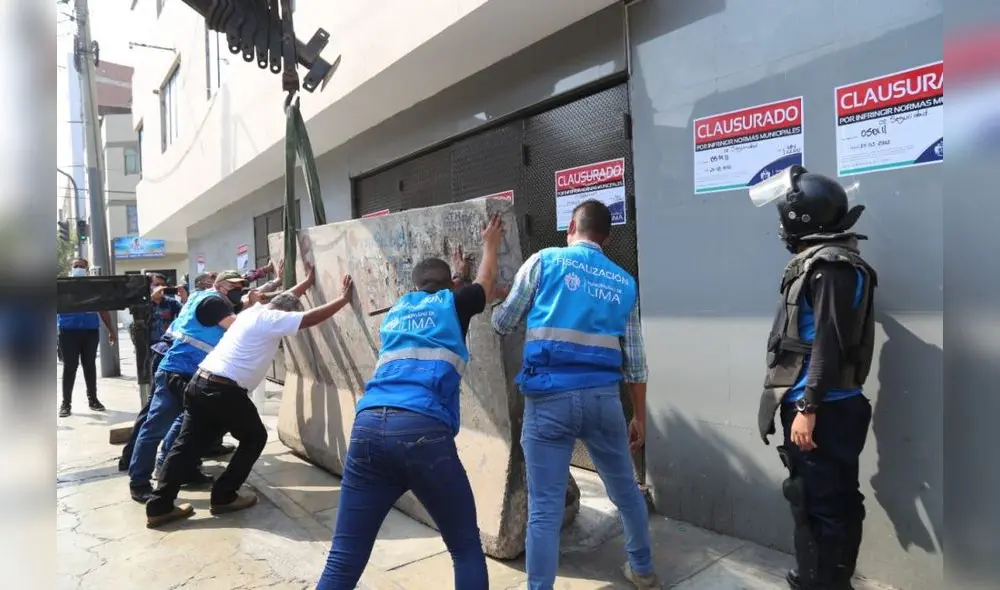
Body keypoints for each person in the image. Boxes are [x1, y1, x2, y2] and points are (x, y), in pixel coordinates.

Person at [316, 216, 505, 590]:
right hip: (422, 432)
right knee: (465, 547)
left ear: (415, 285)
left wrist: (458, 278)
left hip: (368, 428)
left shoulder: (397, 312)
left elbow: (454, 302)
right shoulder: (455, 303)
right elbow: (482, 288)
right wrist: (491, 244)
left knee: (345, 555)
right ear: (449, 285)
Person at [491, 200, 659, 589]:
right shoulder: (623, 282)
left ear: (571, 227)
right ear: (607, 236)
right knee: (626, 493)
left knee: (545, 511)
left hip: (549, 400)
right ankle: (644, 569)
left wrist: (510, 298)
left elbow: (503, 323)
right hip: (603, 402)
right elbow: (635, 362)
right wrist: (639, 417)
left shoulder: (543, 261)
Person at [145, 263, 355, 527]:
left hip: (200, 382)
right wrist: (344, 300)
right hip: (224, 390)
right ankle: (224, 496)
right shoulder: (272, 320)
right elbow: (309, 318)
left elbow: (284, 298)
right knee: (255, 438)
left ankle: (159, 506)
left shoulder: (254, 312)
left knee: (185, 446)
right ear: (284, 316)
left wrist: (307, 282)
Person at [750, 166, 877, 590]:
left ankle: (819, 583)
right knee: (834, 501)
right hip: (833, 406)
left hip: (823, 408)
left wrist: (808, 407)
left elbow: (828, 343)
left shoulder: (829, 267)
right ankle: (823, 579)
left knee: (818, 504)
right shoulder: (837, 262)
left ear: (801, 217)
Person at [128, 270, 248, 503]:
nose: (239, 291)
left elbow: (240, 307)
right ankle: (139, 481)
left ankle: (187, 468)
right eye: (234, 286)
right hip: (176, 371)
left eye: (241, 286)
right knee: (155, 428)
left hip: (195, 373)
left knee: (193, 426)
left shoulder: (206, 298)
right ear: (221, 286)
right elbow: (238, 326)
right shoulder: (212, 302)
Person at [57, 258, 117, 417]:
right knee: (70, 367)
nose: (78, 269)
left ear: (87, 270)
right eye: (76, 266)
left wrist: (111, 330)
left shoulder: (94, 287)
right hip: (68, 332)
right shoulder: (62, 287)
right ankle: (66, 404)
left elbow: (103, 310)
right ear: (71, 269)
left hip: (90, 332)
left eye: (82, 267)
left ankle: (93, 400)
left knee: (89, 366)